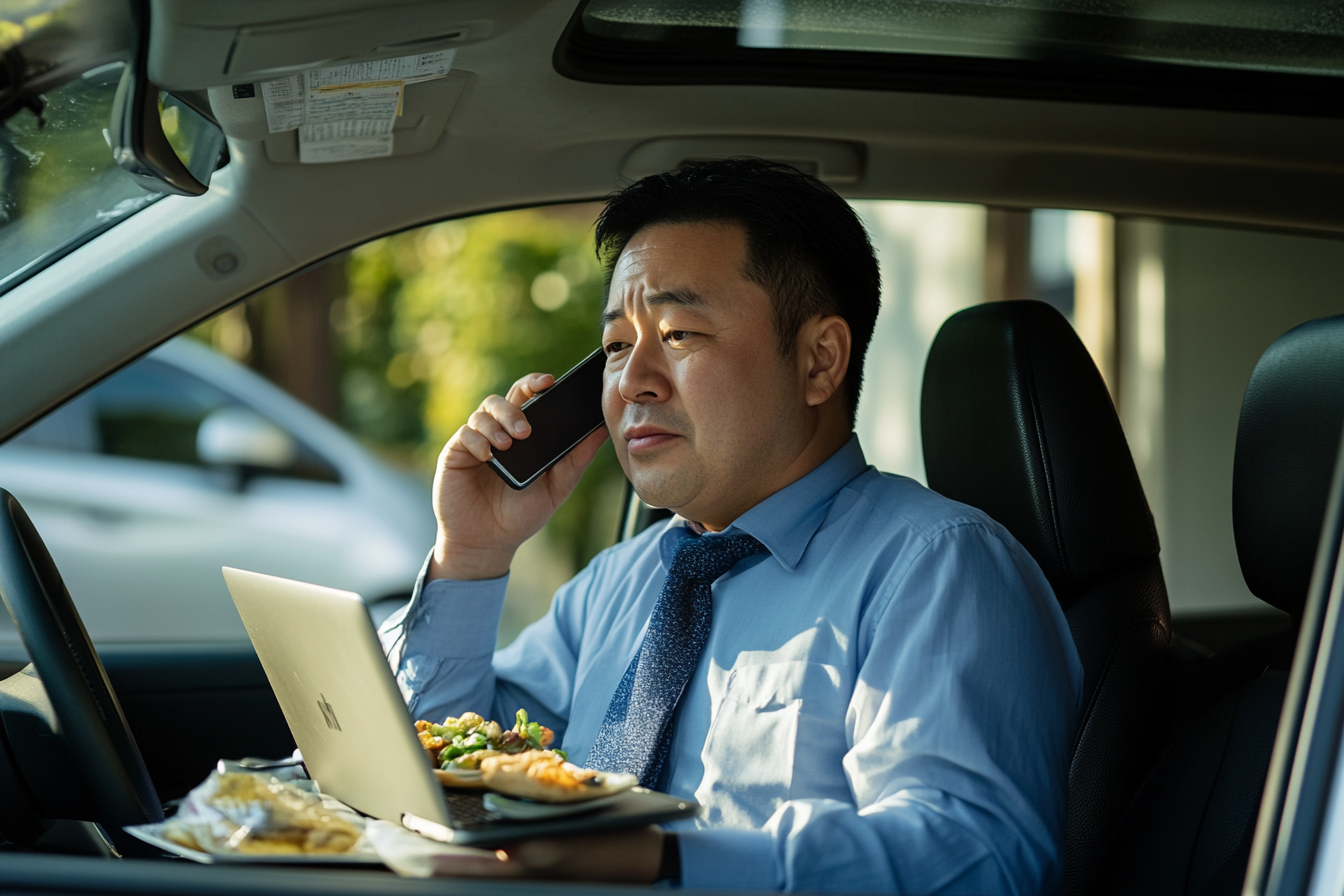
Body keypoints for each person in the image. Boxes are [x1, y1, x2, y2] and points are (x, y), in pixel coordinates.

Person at [379, 159, 1083, 892]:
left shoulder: (938, 571)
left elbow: (972, 858)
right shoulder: (621, 582)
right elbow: (441, 769)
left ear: (820, 360)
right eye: (618, 345)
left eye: (679, 333)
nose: (631, 380)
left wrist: (664, 863)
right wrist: (472, 551)